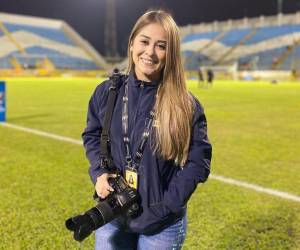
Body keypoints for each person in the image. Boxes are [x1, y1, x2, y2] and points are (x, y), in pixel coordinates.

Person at [82, 10, 212, 250]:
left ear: (170, 54)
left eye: (161, 46)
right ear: (132, 44)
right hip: (112, 214)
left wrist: (164, 208)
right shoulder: (107, 93)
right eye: (144, 41)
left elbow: (198, 163)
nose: (150, 52)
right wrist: (99, 172)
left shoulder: (186, 105)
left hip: (162, 226)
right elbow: (92, 135)